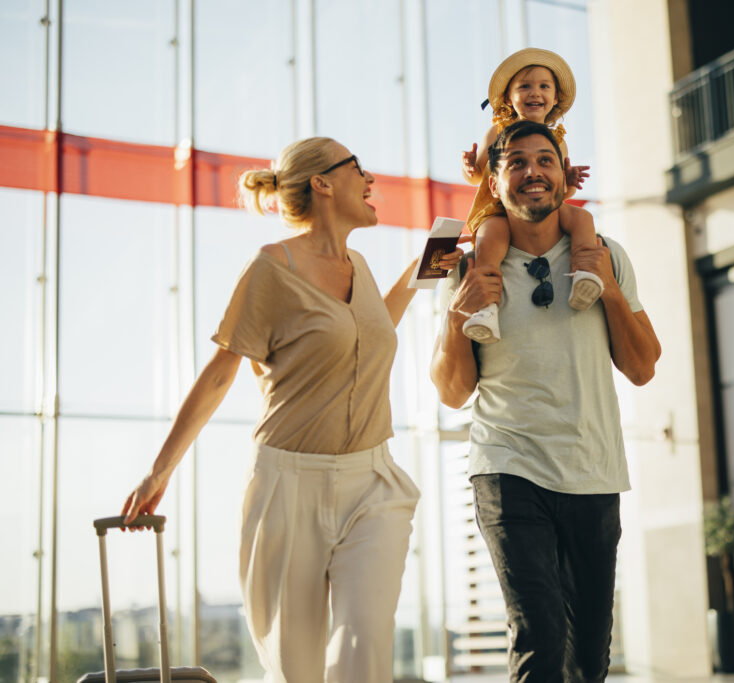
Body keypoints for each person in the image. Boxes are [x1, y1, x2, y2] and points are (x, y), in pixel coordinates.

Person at [121, 137, 461, 683]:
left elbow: (373, 327)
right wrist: (158, 471)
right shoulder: (271, 268)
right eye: (359, 169)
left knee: (364, 644)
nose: (371, 180)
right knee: (296, 668)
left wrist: (433, 260)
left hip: (371, 484)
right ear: (322, 183)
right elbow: (219, 374)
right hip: (287, 487)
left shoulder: (361, 266)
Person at [431, 120, 661, 682]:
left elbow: (642, 366)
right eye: (515, 162)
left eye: (545, 160)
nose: (532, 171)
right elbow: (453, 392)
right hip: (508, 466)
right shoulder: (464, 266)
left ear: (563, 177)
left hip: (593, 469)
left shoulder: (606, 253)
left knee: (588, 659)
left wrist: (605, 286)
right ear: (495, 181)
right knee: (539, 637)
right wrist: (461, 315)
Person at [459, 47, 603, 344]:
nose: (534, 93)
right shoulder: (497, 130)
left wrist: (571, 181)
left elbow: (559, 191)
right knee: (489, 243)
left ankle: (584, 274)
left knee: (582, 218)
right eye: (524, 86)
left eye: (543, 86)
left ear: (554, 98)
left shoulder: (558, 141)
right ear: (509, 98)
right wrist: (470, 167)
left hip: (544, 208)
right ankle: (486, 308)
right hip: (499, 209)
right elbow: (479, 175)